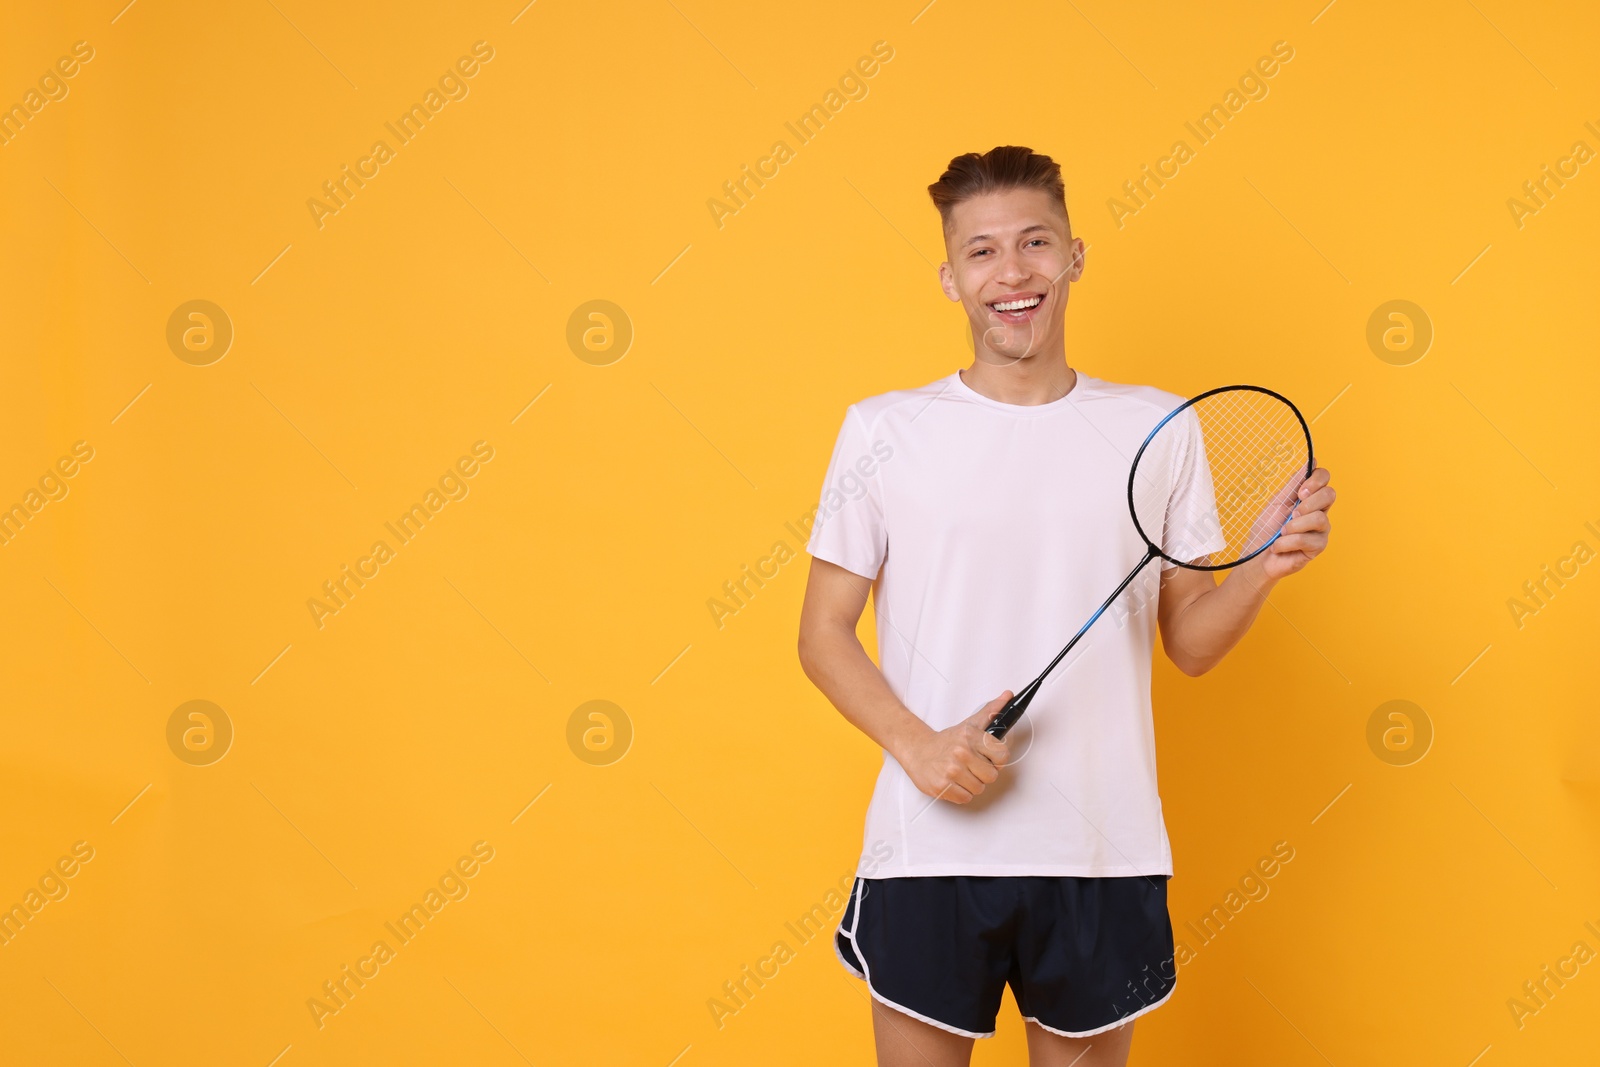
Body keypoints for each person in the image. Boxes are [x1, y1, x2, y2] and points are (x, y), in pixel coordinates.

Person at [796, 145, 1336, 1067]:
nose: (1014, 273)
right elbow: (821, 634)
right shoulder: (884, 430)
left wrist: (1261, 566)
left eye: (1036, 243)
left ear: (1075, 256)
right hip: (932, 854)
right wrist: (920, 746)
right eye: (983, 251)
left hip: (1102, 852)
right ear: (950, 277)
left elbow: (1191, 643)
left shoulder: (1156, 426)